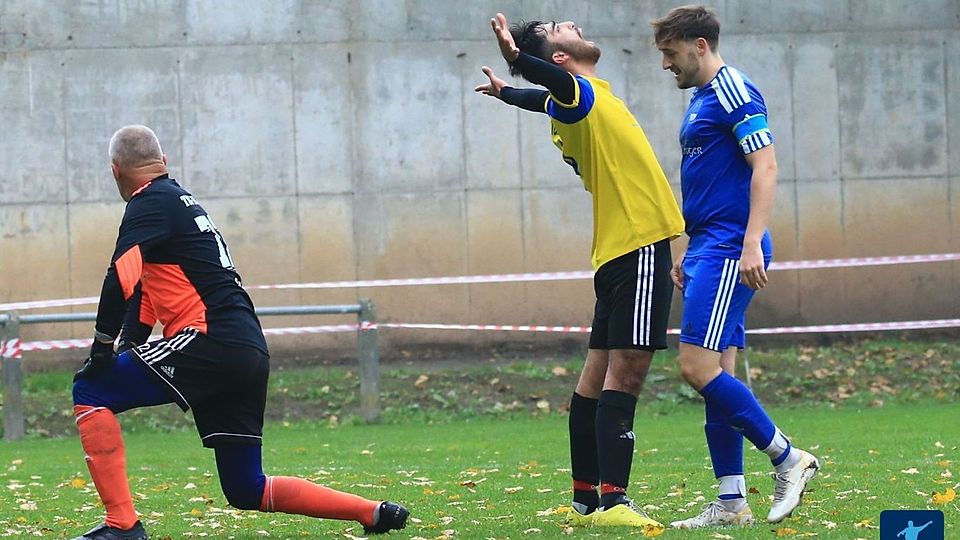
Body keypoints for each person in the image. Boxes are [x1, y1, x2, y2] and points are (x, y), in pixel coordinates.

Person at [70, 125, 408, 539]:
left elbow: (120, 274)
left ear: (115, 171)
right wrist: (128, 345)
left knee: (90, 389)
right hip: (246, 346)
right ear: (164, 163)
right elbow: (145, 292)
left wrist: (102, 347)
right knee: (246, 487)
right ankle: (372, 513)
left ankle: (122, 525)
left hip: (210, 340)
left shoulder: (148, 202)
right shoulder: (178, 203)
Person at [476, 13, 685, 532]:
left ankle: (585, 500)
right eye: (558, 27)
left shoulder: (573, 101)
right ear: (561, 59)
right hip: (638, 245)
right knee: (626, 374)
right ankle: (615, 503)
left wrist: (508, 91)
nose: (570, 21)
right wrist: (518, 61)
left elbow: (541, 97)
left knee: (595, 376)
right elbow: (551, 86)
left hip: (616, 250)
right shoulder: (577, 93)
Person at [650, 5, 819, 529]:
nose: (666, 65)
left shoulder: (734, 90)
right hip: (708, 246)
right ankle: (731, 503)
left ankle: (789, 457)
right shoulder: (702, 98)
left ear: (699, 45)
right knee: (716, 373)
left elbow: (765, 165)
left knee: (694, 367)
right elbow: (710, 180)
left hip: (730, 248)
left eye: (671, 54)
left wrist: (748, 243)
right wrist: (689, 247)